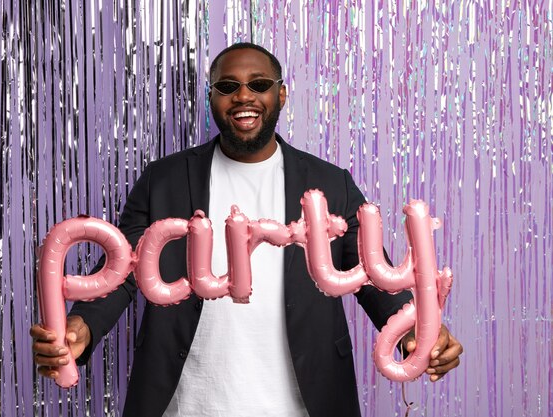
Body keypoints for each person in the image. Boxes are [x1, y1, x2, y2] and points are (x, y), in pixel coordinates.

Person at [30, 43, 463, 417]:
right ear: (212, 96)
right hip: (186, 402)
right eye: (227, 86)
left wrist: (414, 328)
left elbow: (373, 274)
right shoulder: (162, 180)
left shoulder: (331, 183)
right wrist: (82, 326)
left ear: (281, 94)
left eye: (258, 84)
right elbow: (122, 273)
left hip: (303, 401)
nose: (243, 96)